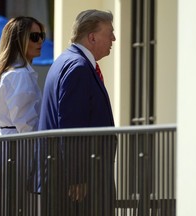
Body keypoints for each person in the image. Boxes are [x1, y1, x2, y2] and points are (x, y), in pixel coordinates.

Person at [38, 9, 117, 216]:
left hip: (71, 178)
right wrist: (77, 177)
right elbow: (71, 124)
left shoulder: (66, 61)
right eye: (110, 33)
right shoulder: (78, 67)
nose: (114, 39)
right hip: (79, 184)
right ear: (92, 37)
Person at [0, 16, 45, 215]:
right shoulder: (19, 75)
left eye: (41, 36)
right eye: (34, 36)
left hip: (3, 146)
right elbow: (27, 124)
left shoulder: (7, 72)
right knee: (12, 204)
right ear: (19, 39)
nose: (40, 41)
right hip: (17, 148)